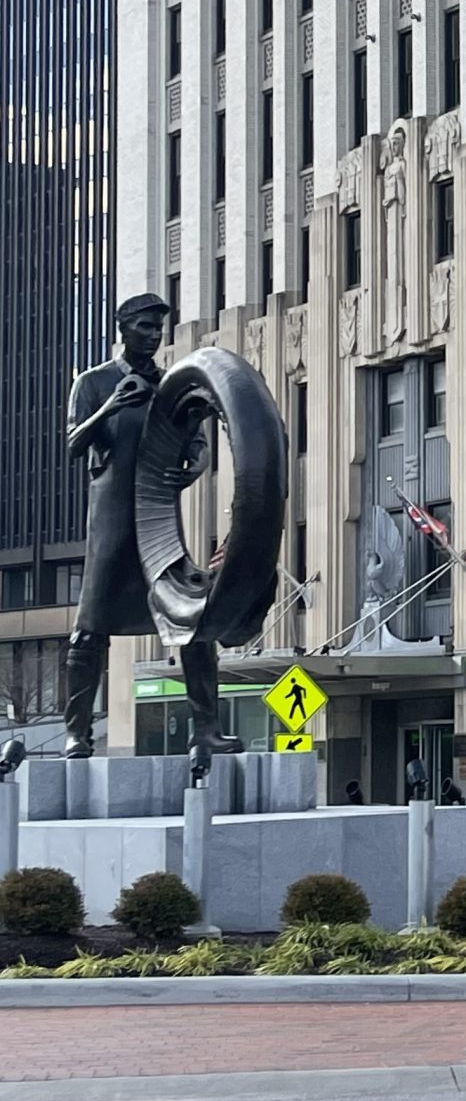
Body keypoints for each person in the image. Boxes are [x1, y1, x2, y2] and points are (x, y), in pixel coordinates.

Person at [59, 293, 239, 759]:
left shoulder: (172, 383)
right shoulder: (94, 382)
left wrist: (198, 462)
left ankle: (207, 730)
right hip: (112, 521)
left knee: (192, 621)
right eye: (144, 326)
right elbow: (74, 444)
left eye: (159, 328)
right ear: (123, 328)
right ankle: (76, 734)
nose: (153, 335)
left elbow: (196, 437)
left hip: (157, 518)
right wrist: (112, 407)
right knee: (89, 630)